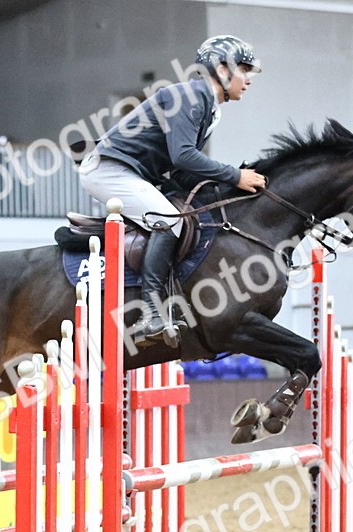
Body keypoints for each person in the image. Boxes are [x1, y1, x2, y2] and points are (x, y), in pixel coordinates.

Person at [78, 35, 268, 349]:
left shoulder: (209, 108)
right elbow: (183, 156)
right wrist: (235, 175)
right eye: (243, 69)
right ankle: (151, 312)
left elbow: (181, 170)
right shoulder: (193, 95)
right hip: (108, 169)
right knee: (169, 219)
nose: (248, 79)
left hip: (134, 171)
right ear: (221, 69)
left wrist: (222, 189)